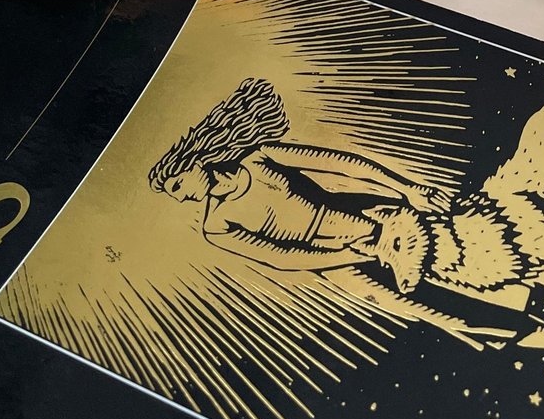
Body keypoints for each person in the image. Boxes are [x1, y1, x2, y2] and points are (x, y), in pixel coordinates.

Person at [149, 77, 447, 273]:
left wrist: (407, 188)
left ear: (193, 163)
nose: (180, 197)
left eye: (177, 184)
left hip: (366, 209)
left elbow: (336, 162)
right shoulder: (216, 226)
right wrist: (354, 255)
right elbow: (280, 257)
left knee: (444, 232)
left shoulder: (258, 156)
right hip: (342, 247)